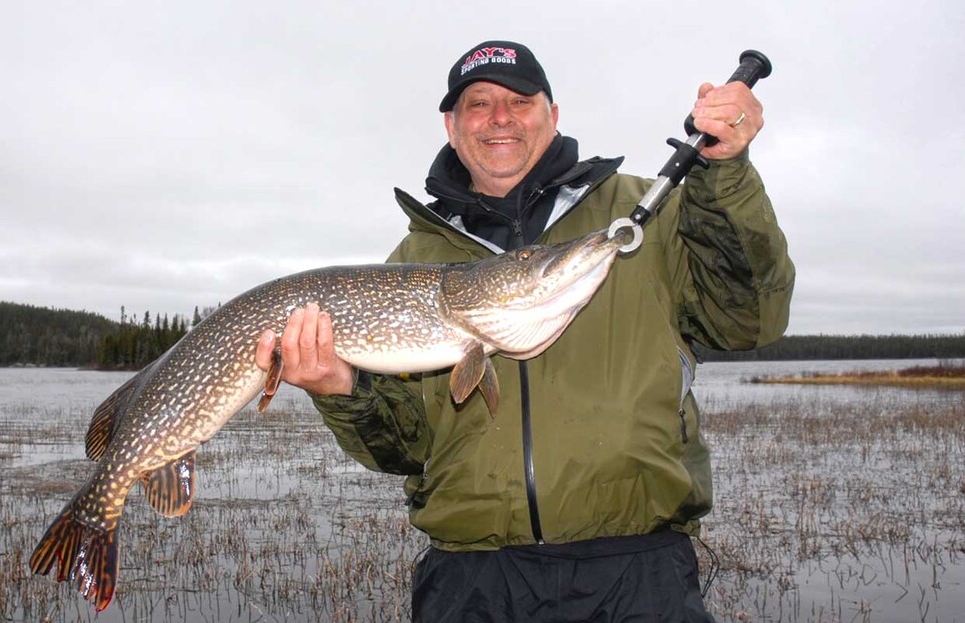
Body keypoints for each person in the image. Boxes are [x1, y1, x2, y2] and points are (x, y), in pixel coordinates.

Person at [255, 40, 794, 622]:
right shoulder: (414, 258)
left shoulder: (645, 212)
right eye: (478, 104)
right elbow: (404, 448)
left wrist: (725, 175)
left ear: (553, 114)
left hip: (638, 572)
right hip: (472, 582)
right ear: (452, 126)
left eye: (519, 100)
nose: (500, 118)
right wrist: (343, 390)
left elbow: (748, 320)